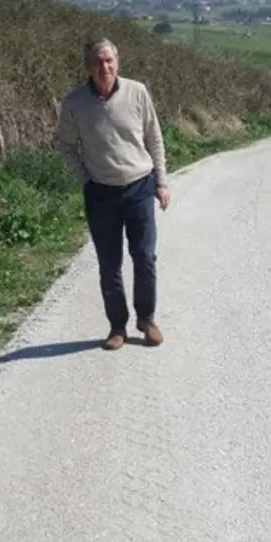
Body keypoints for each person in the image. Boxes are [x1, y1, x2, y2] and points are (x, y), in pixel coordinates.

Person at [56, 37, 171, 350]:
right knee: (109, 264)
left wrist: (161, 181)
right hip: (100, 193)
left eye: (109, 60)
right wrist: (85, 180)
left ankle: (146, 319)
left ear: (117, 61)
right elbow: (64, 145)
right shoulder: (75, 102)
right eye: (97, 61)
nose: (104, 67)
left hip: (139, 186)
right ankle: (117, 327)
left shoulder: (137, 92)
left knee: (145, 257)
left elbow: (154, 138)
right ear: (88, 66)